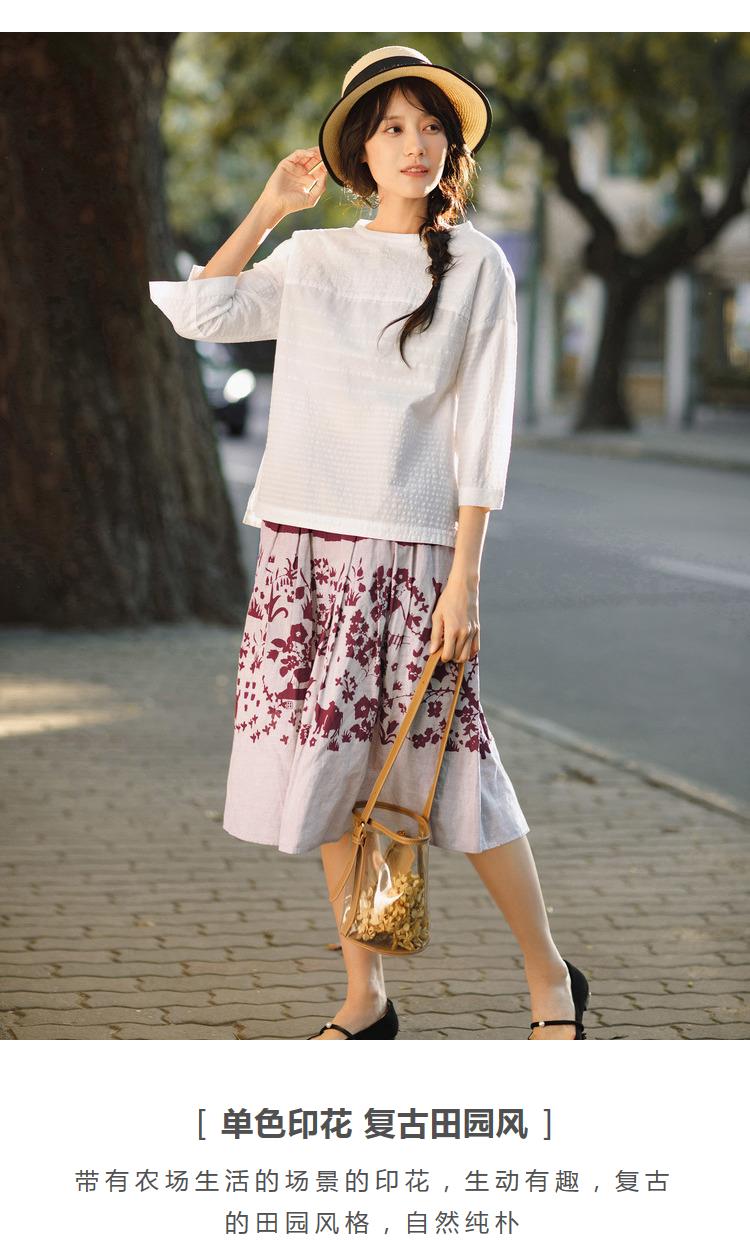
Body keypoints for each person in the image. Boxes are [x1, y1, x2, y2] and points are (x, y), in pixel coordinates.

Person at [150, 45, 590, 1041]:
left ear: (450, 148)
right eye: (392, 127)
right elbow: (202, 314)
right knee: (333, 775)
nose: (415, 144)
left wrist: (464, 578)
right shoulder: (314, 261)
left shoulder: (478, 265)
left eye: (431, 126)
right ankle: (367, 996)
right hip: (305, 554)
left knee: (460, 775)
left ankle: (550, 976)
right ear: (358, 149)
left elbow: (482, 435)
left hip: (413, 558)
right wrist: (271, 208)